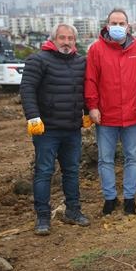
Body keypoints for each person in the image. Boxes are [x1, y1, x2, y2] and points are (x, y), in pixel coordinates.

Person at [20, 23, 91, 235]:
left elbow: (84, 90)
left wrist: (87, 112)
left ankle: (73, 211)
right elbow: (27, 89)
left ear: (75, 41)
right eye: (62, 38)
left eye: (70, 38)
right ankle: (43, 216)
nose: (66, 42)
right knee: (44, 171)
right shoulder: (38, 60)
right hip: (47, 130)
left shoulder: (80, 62)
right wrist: (33, 116)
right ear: (54, 39)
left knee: (72, 171)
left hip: (71, 129)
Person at [85, 8, 136, 215]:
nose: (118, 27)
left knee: (132, 157)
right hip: (106, 115)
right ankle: (110, 198)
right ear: (107, 25)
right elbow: (91, 80)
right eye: (114, 23)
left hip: (132, 114)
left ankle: (130, 198)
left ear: (128, 26)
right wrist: (92, 106)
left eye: (122, 24)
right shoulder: (96, 49)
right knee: (105, 159)